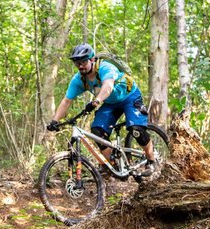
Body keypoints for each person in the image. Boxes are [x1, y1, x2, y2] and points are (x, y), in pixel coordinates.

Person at [46, 43, 158, 176]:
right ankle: (113, 165)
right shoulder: (79, 80)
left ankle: (151, 160)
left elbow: (108, 86)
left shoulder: (105, 67)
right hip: (110, 103)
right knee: (97, 131)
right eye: (77, 63)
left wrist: (96, 101)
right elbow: (66, 100)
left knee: (136, 130)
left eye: (83, 62)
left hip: (129, 97)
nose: (80, 66)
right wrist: (54, 121)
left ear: (92, 59)